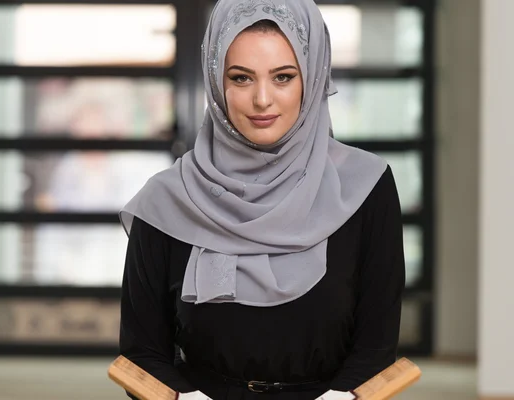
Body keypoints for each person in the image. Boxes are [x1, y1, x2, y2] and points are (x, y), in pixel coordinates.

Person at [118, 0, 405, 398]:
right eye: (241, 78)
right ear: (216, 83)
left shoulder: (365, 188)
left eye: (284, 77)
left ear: (314, 76)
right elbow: (142, 354)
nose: (263, 99)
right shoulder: (168, 199)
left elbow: (376, 347)